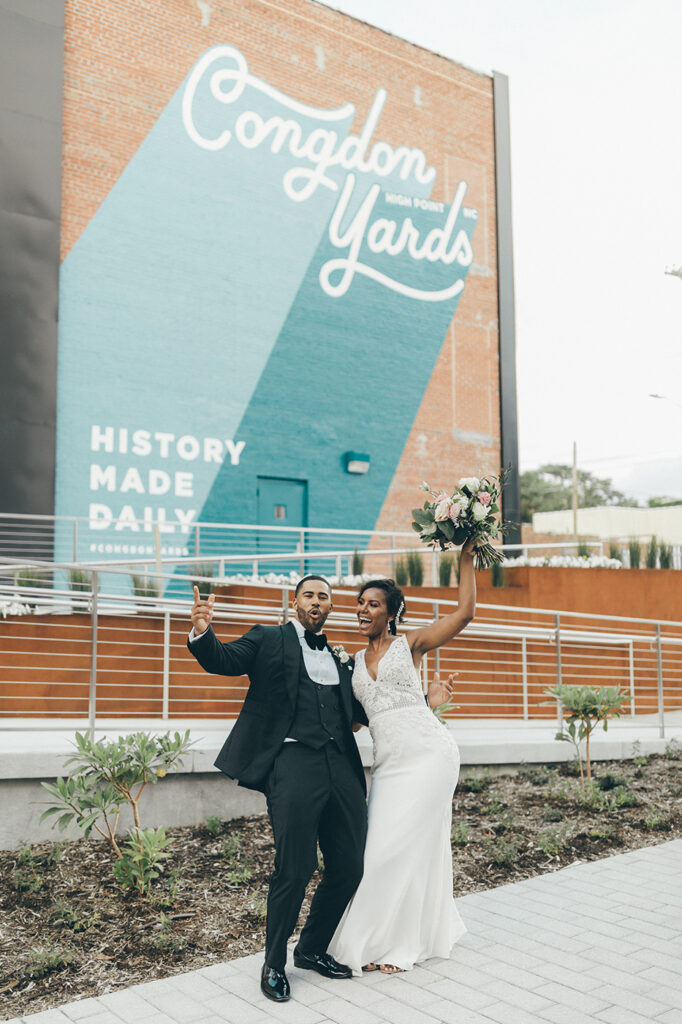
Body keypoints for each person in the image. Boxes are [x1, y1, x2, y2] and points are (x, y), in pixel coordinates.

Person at [187, 574, 450, 1003]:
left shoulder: (343, 658)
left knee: (349, 865)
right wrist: (202, 630)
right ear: (296, 603)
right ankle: (273, 963)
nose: (316, 601)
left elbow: (373, 708)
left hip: (341, 767)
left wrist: (425, 702)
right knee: (295, 865)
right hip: (292, 764)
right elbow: (223, 659)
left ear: (329, 608)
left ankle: (311, 949)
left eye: (324, 597)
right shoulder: (268, 639)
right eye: (309, 594)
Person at [328, 537, 478, 975]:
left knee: (406, 847)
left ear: (390, 612)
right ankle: (383, 936)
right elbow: (357, 721)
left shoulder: (409, 644)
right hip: (390, 766)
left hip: (430, 755)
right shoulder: (351, 661)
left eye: (372, 604)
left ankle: (400, 945)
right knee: (377, 852)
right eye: (359, 603)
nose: (362, 610)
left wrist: (465, 559)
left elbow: (464, 614)